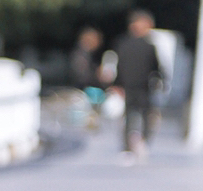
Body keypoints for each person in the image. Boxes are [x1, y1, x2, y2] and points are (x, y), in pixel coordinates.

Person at [113, 9, 161, 159]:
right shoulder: (146, 46)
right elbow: (157, 69)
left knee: (134, 116)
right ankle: (137, 143)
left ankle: (131, 145)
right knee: (138, 116)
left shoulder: (126, 44)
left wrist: (118, 84)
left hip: (138, 87)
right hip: (137, 87)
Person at [69, 27, 102, 94]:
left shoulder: (87, 54)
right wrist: (97, 75)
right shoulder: (80, 55)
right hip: (80, 92)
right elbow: (82, 76)